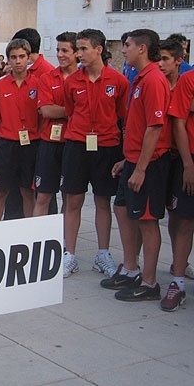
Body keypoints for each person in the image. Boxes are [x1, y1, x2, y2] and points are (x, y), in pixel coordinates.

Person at [104, 29, 171, 302]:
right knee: (121, 208)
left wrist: (141, 168)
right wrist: (127, 160)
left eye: (128, 45)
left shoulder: (153, 79)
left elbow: (155, 127)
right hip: (133, 159)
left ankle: (150, 282)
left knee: (146, 220)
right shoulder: (140, 78)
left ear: (142, 48)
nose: (124, 50)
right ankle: (131, 268)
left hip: (150, 164)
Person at [60, 29, 128, 278]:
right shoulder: (72, 82)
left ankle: (103, 253)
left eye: (84, 48)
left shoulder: (118, 81)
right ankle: (69, 254)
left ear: (99, 49)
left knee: (102, 201)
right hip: (77, 145)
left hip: (107, 147)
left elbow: (122, 115)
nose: (79, 53)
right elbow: (69, 111)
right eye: (77, 48)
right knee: (73, 200)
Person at [0, 39, 39, 221]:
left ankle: (29, 232)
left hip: (30, 144)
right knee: (1, 191)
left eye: (22, 56)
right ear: (8, 59)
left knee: (27, 191)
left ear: (29, 58)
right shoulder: (0, 85)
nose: (18, 61)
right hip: (6, 144)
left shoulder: (38, 84)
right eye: (13, 57)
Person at [162, 40, 194, 311]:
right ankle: (178, 280)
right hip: (188, 160)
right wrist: (188, 164)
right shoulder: (188, 81)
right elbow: (179, 122)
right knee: (182, 219)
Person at [33, 32, 79, 217]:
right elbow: (46, 111)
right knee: (43, 196)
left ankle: (65, 240)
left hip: (74, 143)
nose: (60, 54)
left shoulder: (83, 78)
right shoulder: (47, 78)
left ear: (76, 53)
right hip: (49, 144)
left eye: (65, 50)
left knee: (70, 198)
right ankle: (37, 238)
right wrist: (75, 111)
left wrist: (58, 109)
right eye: (58, 50)